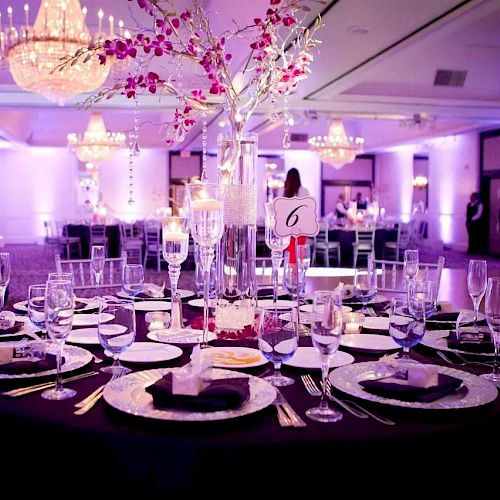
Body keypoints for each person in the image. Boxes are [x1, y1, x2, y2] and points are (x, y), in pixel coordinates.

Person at [283, 168, 309, 263]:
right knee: (300, 255)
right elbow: (308, 212)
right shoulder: (304, 191)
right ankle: (299, 275)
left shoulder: (284, 193)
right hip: (301, 229)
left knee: (289, 255)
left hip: (287, 229)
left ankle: (289, 274)